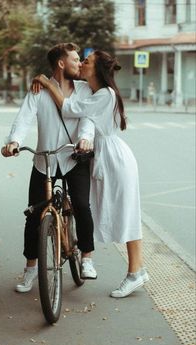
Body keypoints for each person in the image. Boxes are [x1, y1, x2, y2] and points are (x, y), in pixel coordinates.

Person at [32, 50, 149, 298]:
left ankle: (135, 273)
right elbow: (83, 115)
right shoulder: (94, 91)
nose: (82, 64)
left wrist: (44, 81)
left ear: (96, 70)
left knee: (127, 214)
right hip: (103, 157)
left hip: (115, 159)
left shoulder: (105, 95)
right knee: (104, 210)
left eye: (87, 62)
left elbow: (68, 107)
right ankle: (119, 266)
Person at [1, 43, 98, 293]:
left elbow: (88, 118)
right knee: (34, 215)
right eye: (75, 59)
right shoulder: (38, 90)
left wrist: (85, 138)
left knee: (81, 204)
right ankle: (31, 268)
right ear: (61, 63)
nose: (79, 63)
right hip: (44, 160)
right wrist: (14, 142)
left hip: (73, 157)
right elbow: (23, 119)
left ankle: (86, 257)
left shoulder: (84, 90)